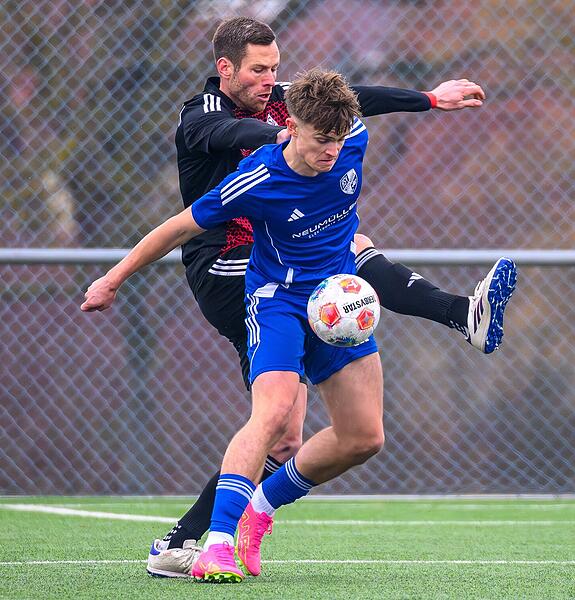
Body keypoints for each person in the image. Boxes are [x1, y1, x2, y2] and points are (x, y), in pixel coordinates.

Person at [82, 67, 514, 583]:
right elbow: (175, 228)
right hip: (278, 303)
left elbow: (361, 101)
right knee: (273, 416)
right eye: (319, 141)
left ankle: (260, 510)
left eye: (337, 139)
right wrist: (112, 279)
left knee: (364, 437)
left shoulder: (352, 138)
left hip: (335, 302)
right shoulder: (258, 178)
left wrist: (429, 99)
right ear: (291, 126)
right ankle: (217, 543)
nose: (330, 152)